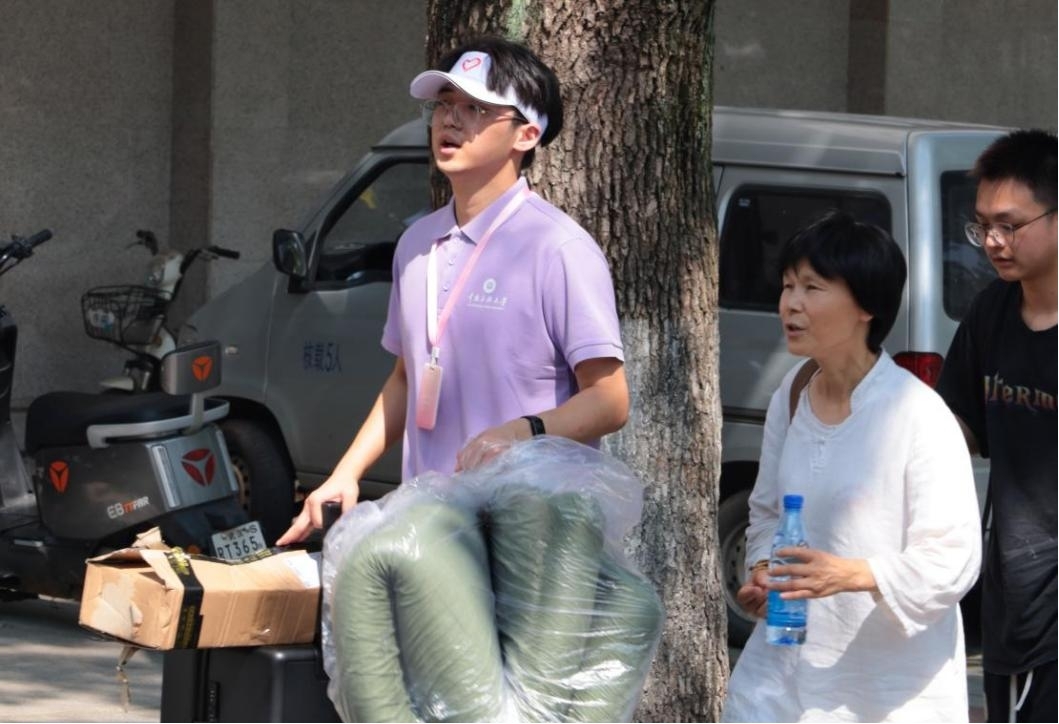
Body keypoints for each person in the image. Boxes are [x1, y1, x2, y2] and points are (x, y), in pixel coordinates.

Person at [278, 36, 629, 545]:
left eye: (475, 108)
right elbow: (406, 376)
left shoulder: (559, 248)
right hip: (432, 530)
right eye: (444, 105)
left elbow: (610, 400)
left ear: (526, 134)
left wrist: (522, 432)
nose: (450, 120)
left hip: (530, 535)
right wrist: (346, 473)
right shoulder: (416, 242)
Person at [721, 211, 982, 721]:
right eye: (787, 285)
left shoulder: (917, 413)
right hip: (783, 680)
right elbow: (767, 510)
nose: (791, 303)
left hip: (887, 692)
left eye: (812, 287)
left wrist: (850, 575)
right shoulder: (793, 392)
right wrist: (764, 574)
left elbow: (954, 557)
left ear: (866, 306)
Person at [935, 130, 1057, 723]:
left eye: (1009, 225)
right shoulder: (991, 311)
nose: (992, 242)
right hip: (1012, 597)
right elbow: (955, 427)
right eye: (982, 225)